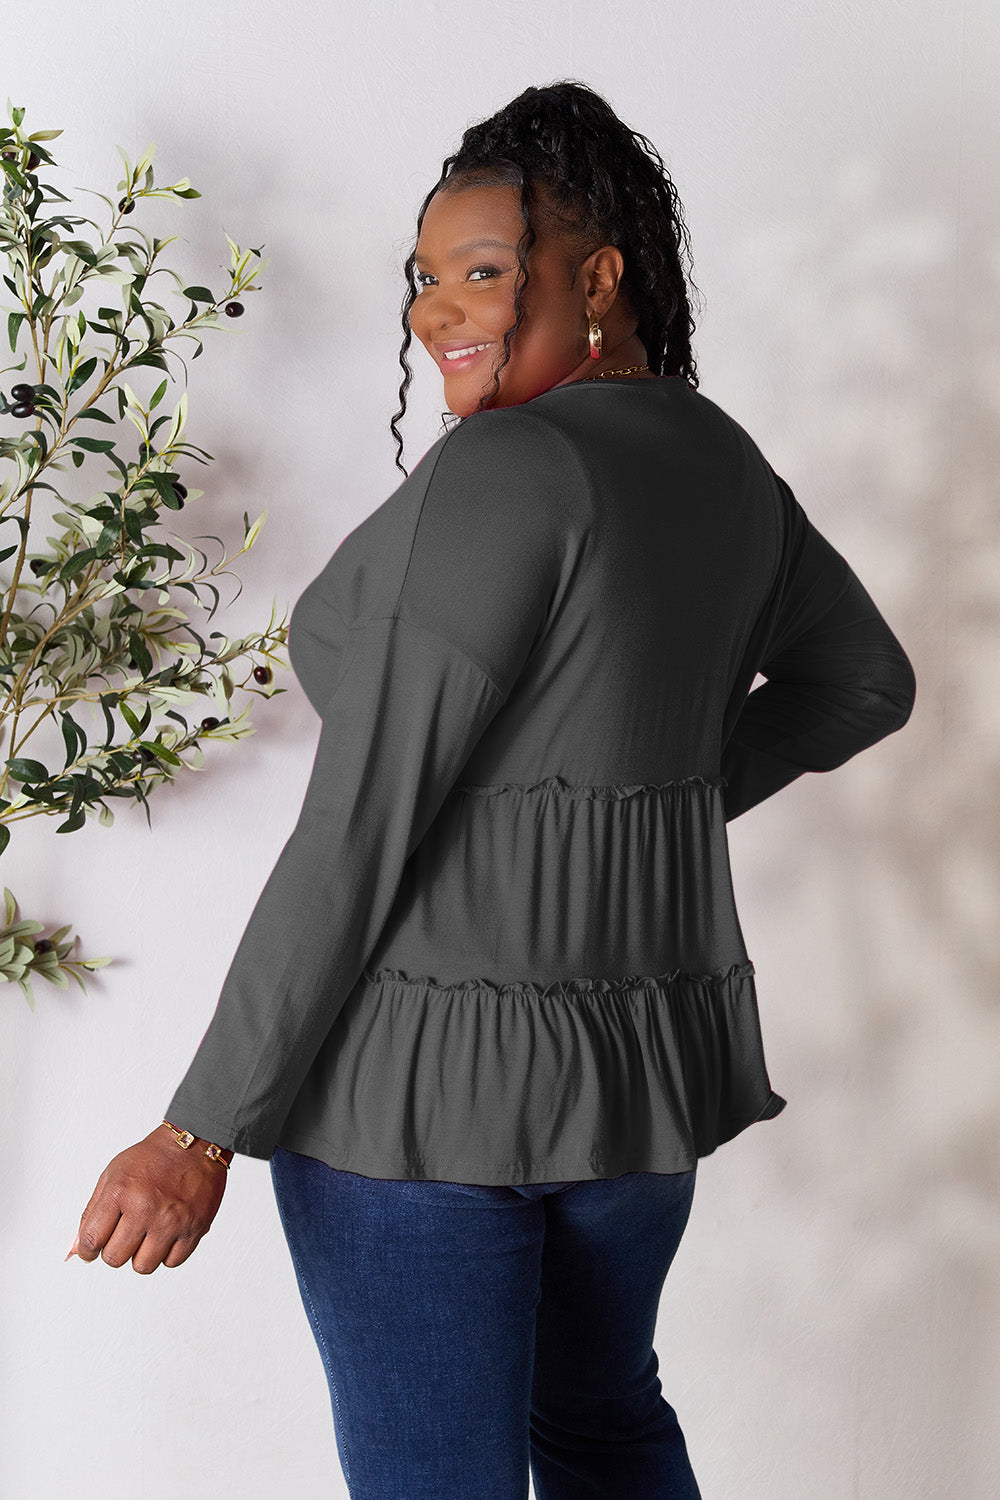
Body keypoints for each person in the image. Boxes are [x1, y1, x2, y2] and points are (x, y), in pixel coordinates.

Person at [67, 80, 916, 1500]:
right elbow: (864, 685)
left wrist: (195, 1129)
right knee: (606, 1431)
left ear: (598, 277)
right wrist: (645, 805)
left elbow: (357, 830)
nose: (438, 312)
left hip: (416, 1105)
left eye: (481, 271)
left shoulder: (513, 468)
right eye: (424, 279)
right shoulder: (716, 459)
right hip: (634, 1095)